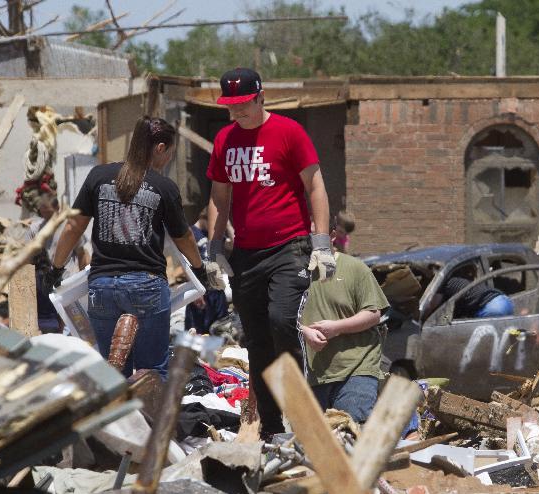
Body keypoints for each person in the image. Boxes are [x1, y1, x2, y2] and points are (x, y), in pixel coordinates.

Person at [205, 67, 334, 436]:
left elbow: (316, 187)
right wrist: (215, 249)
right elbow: (219, 196)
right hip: (247, 252)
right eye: (230, 107)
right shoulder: (224, 140)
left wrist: (321, 243)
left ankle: (301, 414)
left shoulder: (289, 132)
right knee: (257, 339)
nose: (236, 113)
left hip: (289, 246)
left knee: (282, 321)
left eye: (243, 105)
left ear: (261, 97)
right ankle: (273, 427)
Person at [47, 116, 208, 378]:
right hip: (147, 287)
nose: (168, 159)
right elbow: (184, 237)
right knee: (152, 371)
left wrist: (55, 268)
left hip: (103, 288)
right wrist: (199, 269)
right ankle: (150, 420)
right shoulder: (164, 188)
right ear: (159, 148)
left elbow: (73, 227)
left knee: (113, 372)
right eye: (169, 152)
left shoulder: (98, 176)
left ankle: (120, 419)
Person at [300, 230, 389, 423]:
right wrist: (304, 331)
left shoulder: (354, 268)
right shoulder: (295, 273)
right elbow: (282, 318)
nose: (308, 239)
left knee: (350, 431)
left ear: (331, 236)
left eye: (315, 233)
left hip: (356, 369)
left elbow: (374, 313)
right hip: (315, 375)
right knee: (320, 444)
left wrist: (337, 327)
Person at [28, 194, 90, 334]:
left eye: (49, 212)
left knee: (70, 323)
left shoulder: (69, 228)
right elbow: (30, 255)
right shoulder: (36, 229)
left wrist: (84, 280)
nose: (47, 217)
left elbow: (81, 254)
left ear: (57, 208)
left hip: (67, 280)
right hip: (45, 281)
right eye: (43, 212)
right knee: (48, 323)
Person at [439, 276, 514, 318]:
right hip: (504, 300)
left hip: (492, 307)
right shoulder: (458, 281)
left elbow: (432, 308)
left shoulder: (443, 286)